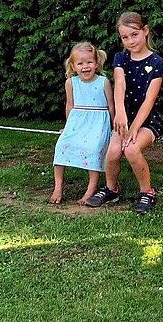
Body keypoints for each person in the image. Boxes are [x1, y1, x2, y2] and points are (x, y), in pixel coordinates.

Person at [85, 12, 163, 214]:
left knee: (131, 149)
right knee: (113, 151)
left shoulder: (157, 63)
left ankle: (147, 191)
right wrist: (120, 113)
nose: (130, 41)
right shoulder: (120, 58)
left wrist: (134, 129)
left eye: (134, 34)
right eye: (125, 37)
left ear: (145, 31)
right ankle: (112, 189)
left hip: (147, 121)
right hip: (124, 119)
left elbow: (149, 100)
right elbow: (119, 84)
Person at [51, 42, 115, 205]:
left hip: (98, 124)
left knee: (93, 149)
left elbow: (111, 106)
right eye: (80, 63)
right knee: (61, 146)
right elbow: (70, 105)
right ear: (73, 66)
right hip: (77, 122)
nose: (85, 67)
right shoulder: (71, 83)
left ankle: (91, 189)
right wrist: (68, 127)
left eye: (89, 62)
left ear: (96, 63)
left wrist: (114, 128)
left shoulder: (103, 82)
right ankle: (58, 187)